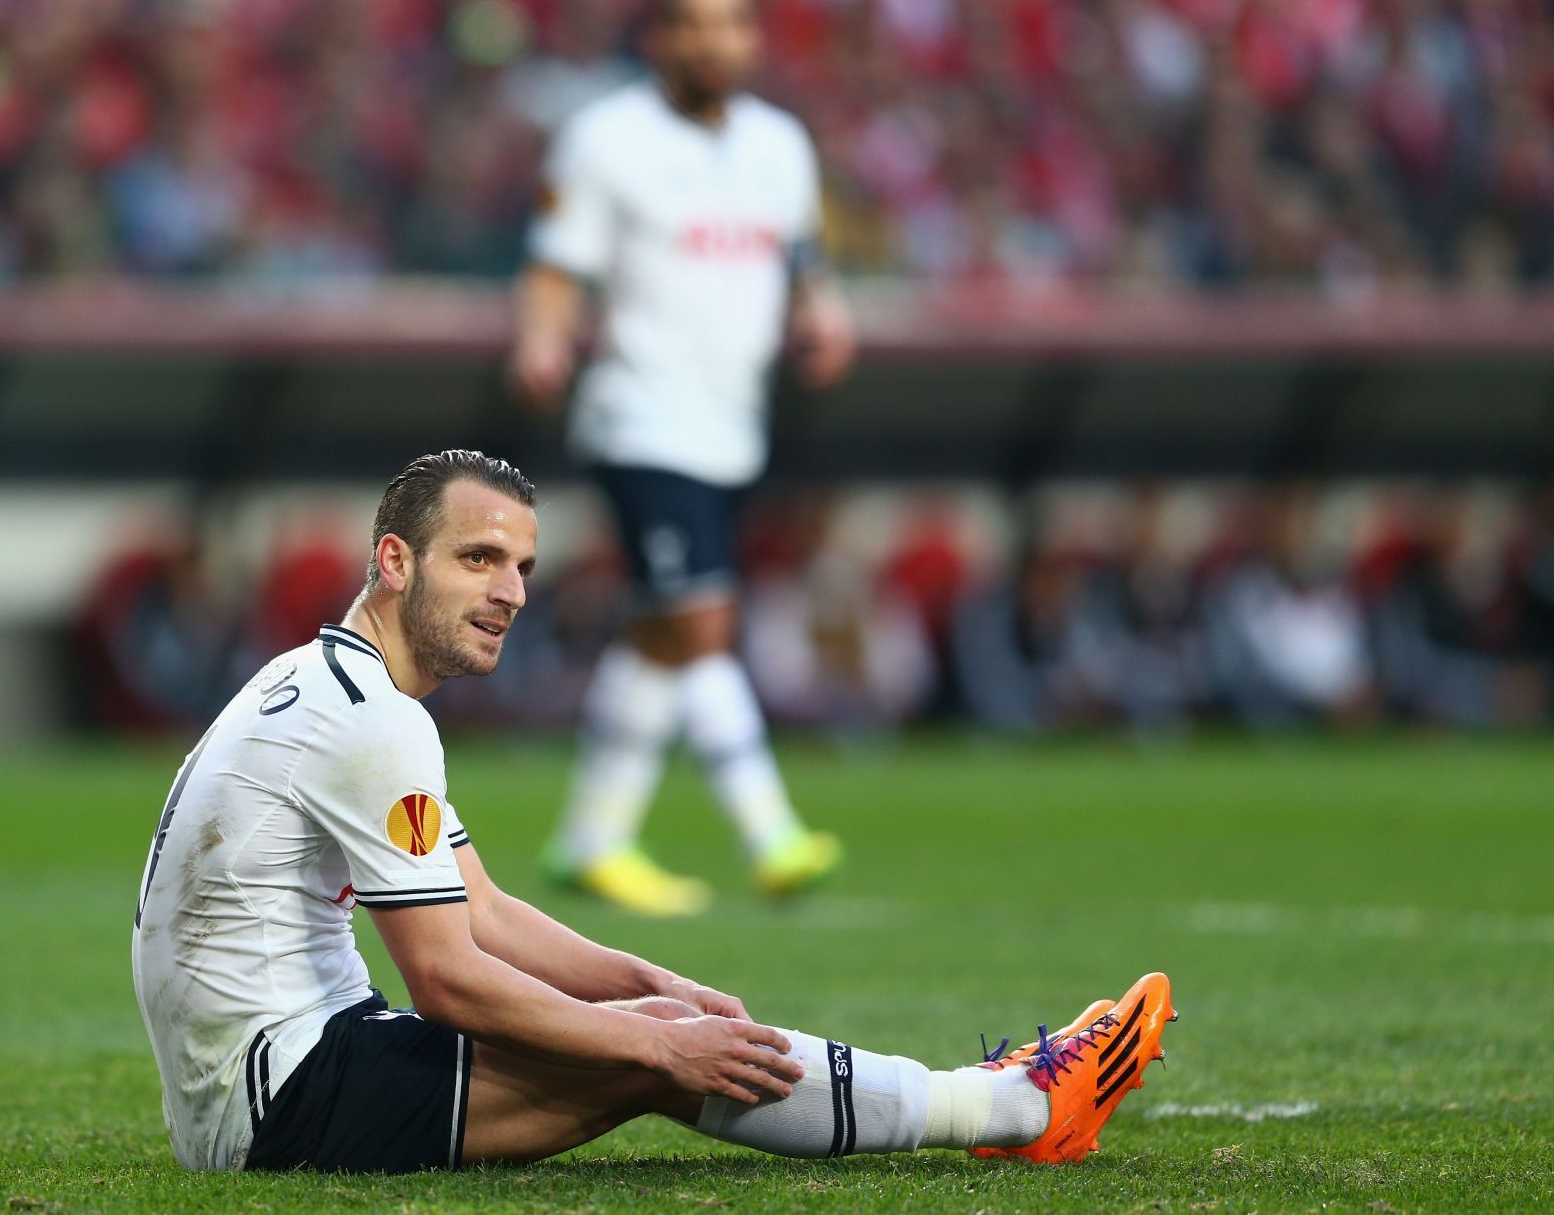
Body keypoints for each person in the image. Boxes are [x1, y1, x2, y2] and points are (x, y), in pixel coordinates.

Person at [131, 449, 1176, 1176]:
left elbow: (482, 909)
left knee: (662, 1025)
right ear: (394, 561)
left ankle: (996, 1098)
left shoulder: (334, 684)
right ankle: (1017, 1104)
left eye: (523, 567)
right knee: (660, 1051)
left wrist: (651, 982)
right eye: (478, 558)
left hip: (264, 1081)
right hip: (283, 1097)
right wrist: (654, 1040)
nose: (511, 592)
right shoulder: (375, 721)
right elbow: (447, 976)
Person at [509, 0, 856, 915]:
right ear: (657, 38)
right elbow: (554, 263)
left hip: (733, 422)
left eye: (733, 21)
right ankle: (772, 833)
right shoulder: (605, 140)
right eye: (693, 23)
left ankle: (592, 839)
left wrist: (824, 314)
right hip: (640, 416)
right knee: (705, 619)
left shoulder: (780, 145)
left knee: (664, 629)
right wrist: (541, 338)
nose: (716, 40)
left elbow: (802, 257)